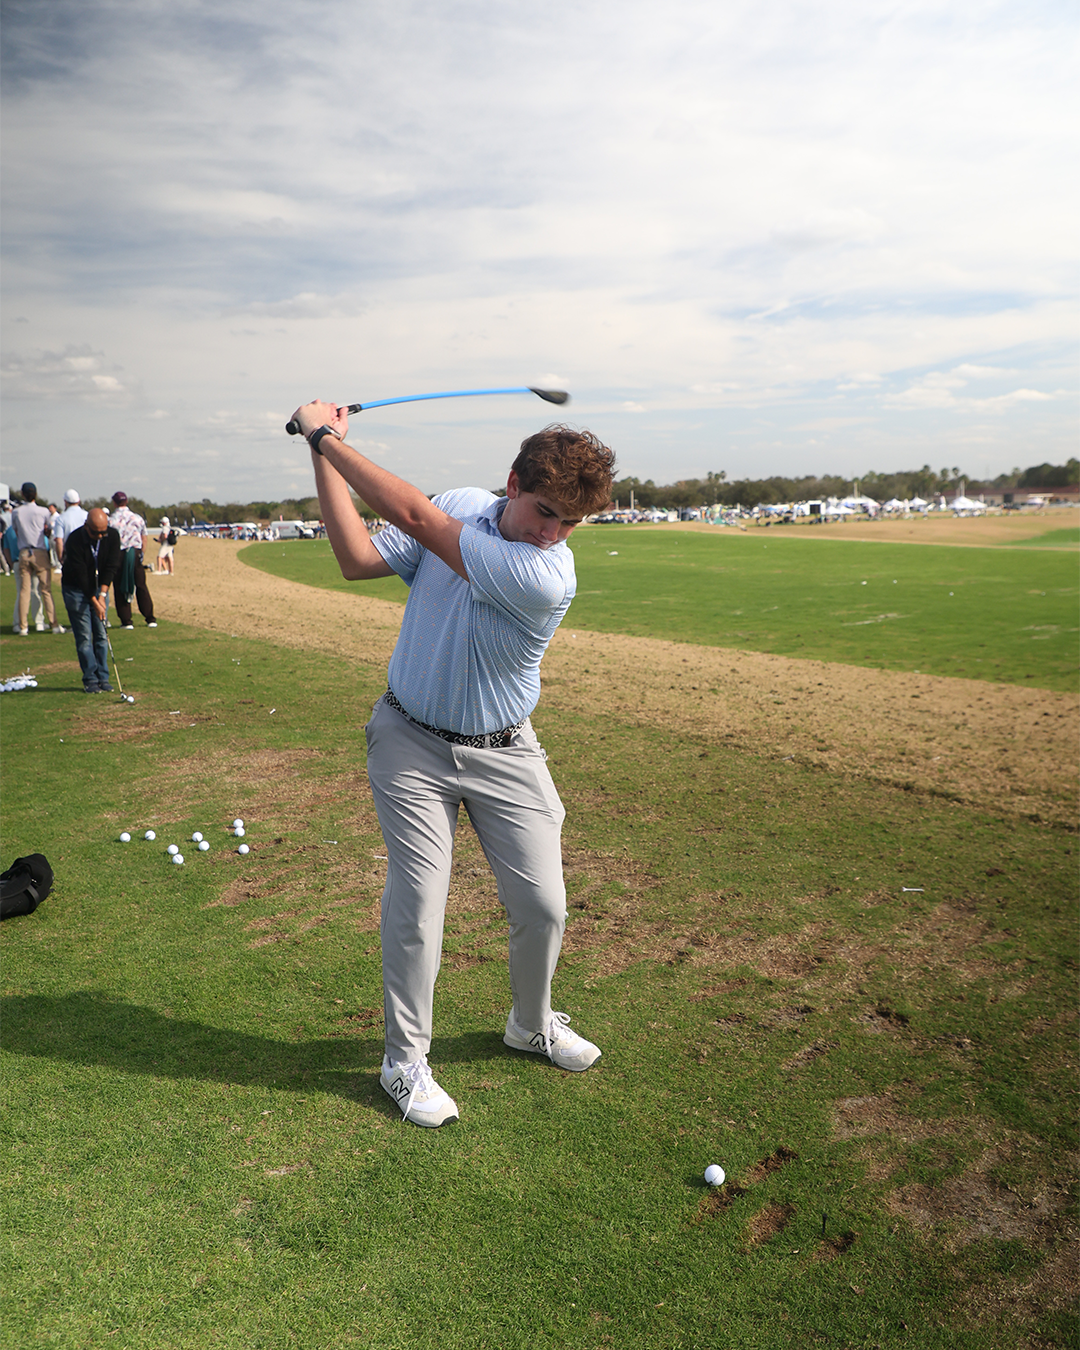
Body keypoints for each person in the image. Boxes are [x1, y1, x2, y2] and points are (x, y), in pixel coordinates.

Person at [292, 398, 616, 1129]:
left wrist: (323, 433)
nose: (552, 533)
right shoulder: (464, 506)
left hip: (507, 750)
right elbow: (356, 560)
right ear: (511, 482)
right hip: (411, 743)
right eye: (543, 512)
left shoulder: (547, 576)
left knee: (544, 907)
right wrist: (323, 454)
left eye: (570, 523)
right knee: (419, 904)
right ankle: (404, 1063)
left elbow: (414, 519)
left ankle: (529, 1023)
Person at [61, 508, 121, 693]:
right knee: (85, 637)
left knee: (101, 635)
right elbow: (80, 575)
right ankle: (90, 679)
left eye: (104, 531)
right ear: (86, 526)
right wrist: (94, 602)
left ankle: (104, 678)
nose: (101, 536)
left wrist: (102, 596)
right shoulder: (75, 539)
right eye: (96, 533)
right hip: (75, 589)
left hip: (98, 588)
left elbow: (111, 566)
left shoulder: (112, 536)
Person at [12, 482, 64, 636]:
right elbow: (48, 530)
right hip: (40, 551)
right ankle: (53, 624)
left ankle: (23, 627)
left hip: (24, 552)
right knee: (46, 590)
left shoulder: (17, 512)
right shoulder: (43, 511)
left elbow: (16, 530)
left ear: (22, 495)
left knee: (24, 591)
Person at [108, 492, 157, 628]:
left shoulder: (111, 520)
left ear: (114, 503)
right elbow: (144, 538)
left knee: (120, 587)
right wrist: (141, 554)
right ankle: (150, 618)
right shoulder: (137, 518)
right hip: (134, 553)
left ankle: (126, 620)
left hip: (119, 554)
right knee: (141, 586)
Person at [53, 489, 89, 566]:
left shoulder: (61, 518)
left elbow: (59, 540)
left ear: (65, 501)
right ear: (79, 501)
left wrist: (60, 557)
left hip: (70, 553)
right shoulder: (87, 515)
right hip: (86, 552)